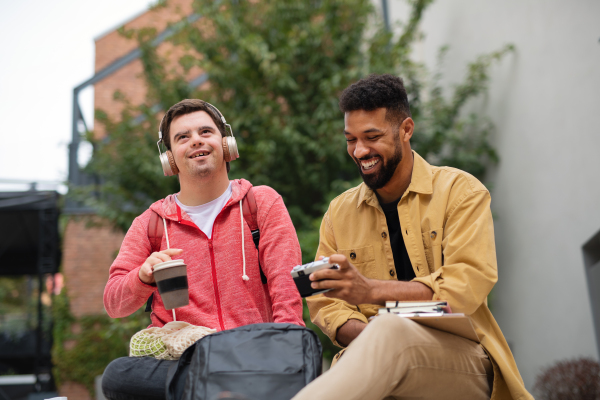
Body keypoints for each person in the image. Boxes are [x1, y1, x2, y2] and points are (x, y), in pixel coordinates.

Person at [293, 74, 532, 400]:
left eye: (372, 136)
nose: (360, 150)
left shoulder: (460, 192)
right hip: (374, 353)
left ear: (406, 130)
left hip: (463, 360)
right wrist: (375, 342)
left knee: (390, 329)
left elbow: (466, 283)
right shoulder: (338, 214)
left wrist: (371, 291)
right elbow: (326, 305)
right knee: (384, 335)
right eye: (350, 139)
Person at [102, 99, 304, 400]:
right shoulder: (150, 224)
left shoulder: (260, 203)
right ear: (169, 158)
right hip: (185, 362)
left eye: (205, 132)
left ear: (226, 144)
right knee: (117, 376)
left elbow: (286, 290)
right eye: (183, 137)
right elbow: (113, 302)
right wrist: (142, 277)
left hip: (253, 354)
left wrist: (283, 352)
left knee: (293, 355)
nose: (196, 139)